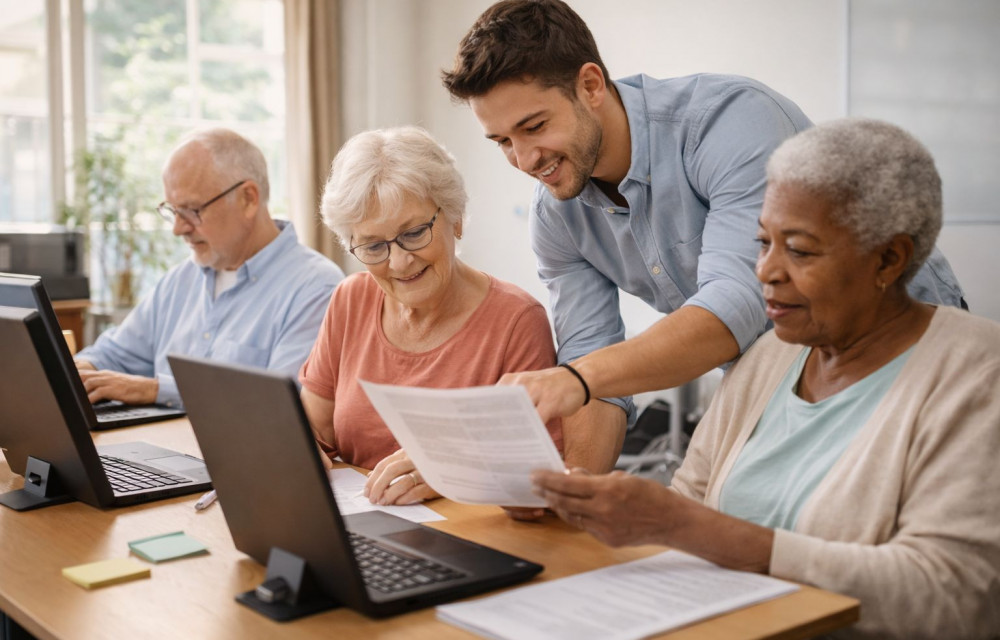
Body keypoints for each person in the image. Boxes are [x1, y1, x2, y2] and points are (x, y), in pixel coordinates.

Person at [531, 119, 1000, 639]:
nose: (766, 271)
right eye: (763, 243)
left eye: (798, 250)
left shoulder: (977, 374)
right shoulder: (769, 356)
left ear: (888, 259)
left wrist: (685, 527)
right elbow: (686, 505)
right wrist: (612, 513)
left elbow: (953, 596)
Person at [442, 0, 965, 460]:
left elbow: (737, 302)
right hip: (770, 374)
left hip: (898, 351)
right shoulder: (557, 213)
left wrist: (577, 379)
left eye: (534, 127)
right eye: (502, 141)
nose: (525, 159)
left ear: (590, 85)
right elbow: (588, 361)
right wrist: (572, 491)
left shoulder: (728, 122)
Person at [299, 126, 563, 508]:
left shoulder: (516, 321)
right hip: (361, 523)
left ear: (454, 217)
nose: (400, 261)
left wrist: (451, 472)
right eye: (373, 246)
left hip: (471, 537)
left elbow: (542, 482)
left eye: (415, 232)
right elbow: (315, 428)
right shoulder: (351, 298)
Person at [75, 128, 344, 408]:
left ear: (248, 198)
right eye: (173, 211)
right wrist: (83, 370)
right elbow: (113, 355)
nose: (178, 229)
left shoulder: (317, 287)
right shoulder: (180, 280)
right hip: (153, 448)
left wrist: (156, 390)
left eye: (192, 210)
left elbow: (280, 405)